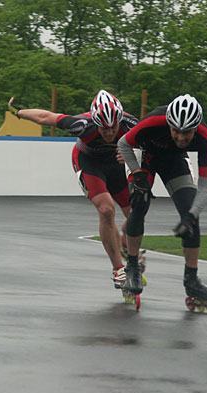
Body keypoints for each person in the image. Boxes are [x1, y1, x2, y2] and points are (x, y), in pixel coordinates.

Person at [8, 90, 139, 289]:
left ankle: (124, 242)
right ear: (96, 123)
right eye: (104, 129)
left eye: (113, 128)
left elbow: (153, 140)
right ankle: (118, 269)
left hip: (117, 164)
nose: (110, 133)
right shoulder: (82, 125)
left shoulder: (131, 124)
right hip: (90, 163)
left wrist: (134, 154)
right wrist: (19, 112)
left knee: (136, 215)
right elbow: (46, 117)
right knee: (106, 209)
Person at [118, 94, 207, 307]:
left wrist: (191, 216)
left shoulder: (205, 137)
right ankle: (133, 266)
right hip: (145, 156)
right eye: (176, 131)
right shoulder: (153, 122)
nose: (181, 138)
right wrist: (137, 174)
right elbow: (123, 143)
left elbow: (205, 186)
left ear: (196, 128)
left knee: (191, 214)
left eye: (187, 133)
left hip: (175, 160)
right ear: (168, 124)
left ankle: (191, 280)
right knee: (140, 201)